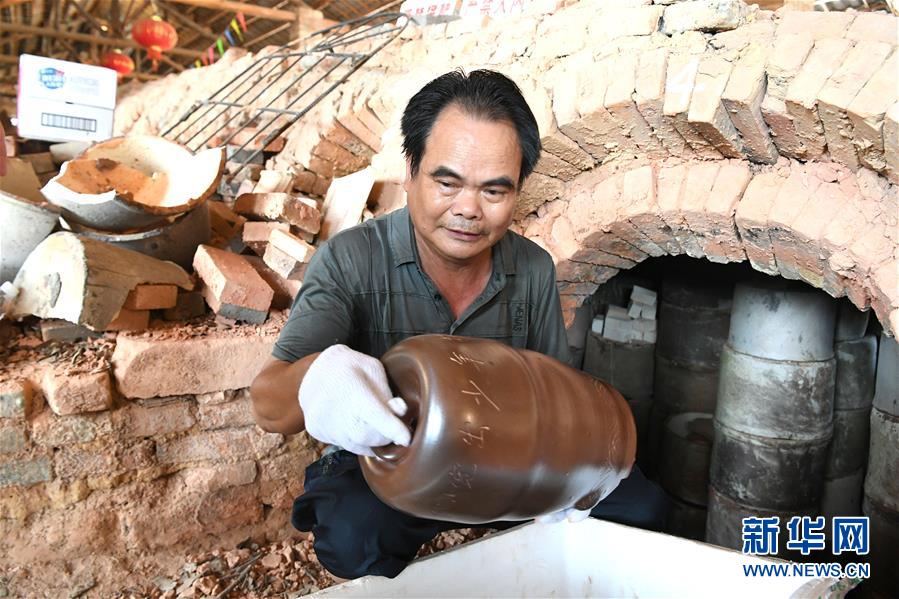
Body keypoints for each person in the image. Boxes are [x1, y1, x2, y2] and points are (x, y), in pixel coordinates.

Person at [249, 69, 668, 580]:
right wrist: (317, 378)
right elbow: (268, 404)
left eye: (494, 191)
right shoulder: (351, 260)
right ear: (411, 171)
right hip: (393, 463)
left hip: (506, 458)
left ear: (518, 189)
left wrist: (572, 474)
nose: (468, 209)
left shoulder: (532, 268)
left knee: (641, 507)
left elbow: (555, 392)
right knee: (353, 538)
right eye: (447, 183)